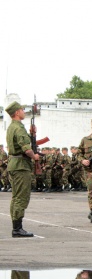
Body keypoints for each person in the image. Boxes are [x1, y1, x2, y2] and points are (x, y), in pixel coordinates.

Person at [5, 101, 39, 237]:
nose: (24, 112)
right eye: (22, 110)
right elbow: (26, 148)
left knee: (15, 197)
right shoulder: (18, 128)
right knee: (21, 197)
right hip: (21, 166)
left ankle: (16, 225)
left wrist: (32, 135)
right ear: (17, 112)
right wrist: (34, 156)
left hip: (14, 164)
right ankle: (17, 228)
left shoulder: (12, 127)